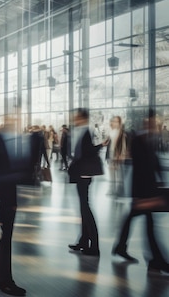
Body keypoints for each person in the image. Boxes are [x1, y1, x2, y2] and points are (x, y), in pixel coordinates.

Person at [112, 110, 169, 274]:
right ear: (146, 122)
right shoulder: (138, 140)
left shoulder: (148, 139)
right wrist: (144, 195)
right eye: (151, 122)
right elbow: (141, 169)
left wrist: (160, 182)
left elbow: (154, 162)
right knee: (149, 226)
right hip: (143, 191)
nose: (154, 125)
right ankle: (156, 260)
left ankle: (123, 247)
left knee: (139, 220)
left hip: (146, 191)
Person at [0, 114, 32, 296]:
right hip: (6, 197)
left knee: (5, 237)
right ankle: (4, 281)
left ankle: (4, 279)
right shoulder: (1, 141)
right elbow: (2, 172)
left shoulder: (7, 140)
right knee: (5, 238)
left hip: (7, 196)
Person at [68, 109, 106, 257]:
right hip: (80, 173)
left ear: (82, 118)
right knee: (83, 207)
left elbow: (88, 151)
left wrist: (101, 145)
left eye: (77, 117)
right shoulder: (79, 131)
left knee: (85, 208)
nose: (74, 119)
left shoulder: (86, 132)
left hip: (84, 174)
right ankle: (84, 241)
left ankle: (95, 246)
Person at [106, 116, 128, 196]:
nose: (114, 123)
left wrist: (121, 155)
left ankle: (119, 190)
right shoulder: (111, 132)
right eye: (113, 121)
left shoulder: (122, 133)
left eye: (116, 121)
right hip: (111, 155)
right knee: (111, 173)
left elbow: (124, 145)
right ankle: (112, 189)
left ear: (119, 123)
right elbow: (109, 146)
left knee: (119, 174)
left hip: (118, 155)